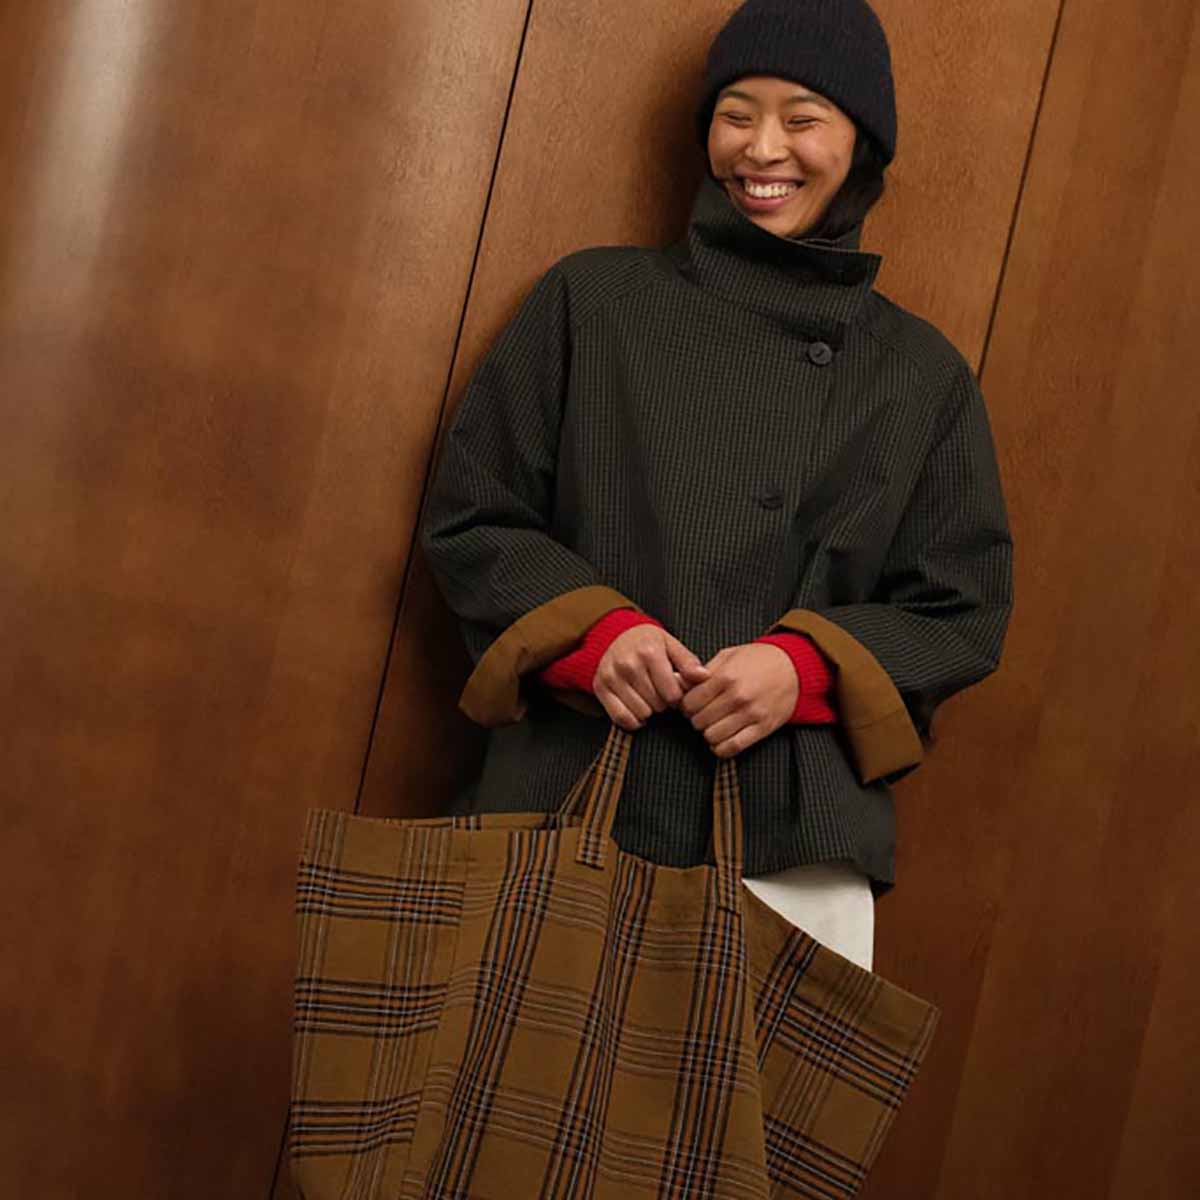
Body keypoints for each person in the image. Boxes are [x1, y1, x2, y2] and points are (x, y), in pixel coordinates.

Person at [421, 0, 1013, 973]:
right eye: (737, 113)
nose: (761, 148)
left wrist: (805, 667)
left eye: (802, 117)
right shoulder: (594, 301)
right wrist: (594, 636)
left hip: (792, 838)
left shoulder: (923, 379)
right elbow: (473, 514)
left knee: (743, 1084)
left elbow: (963, 609)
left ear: (862, 143)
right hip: (571, 790)